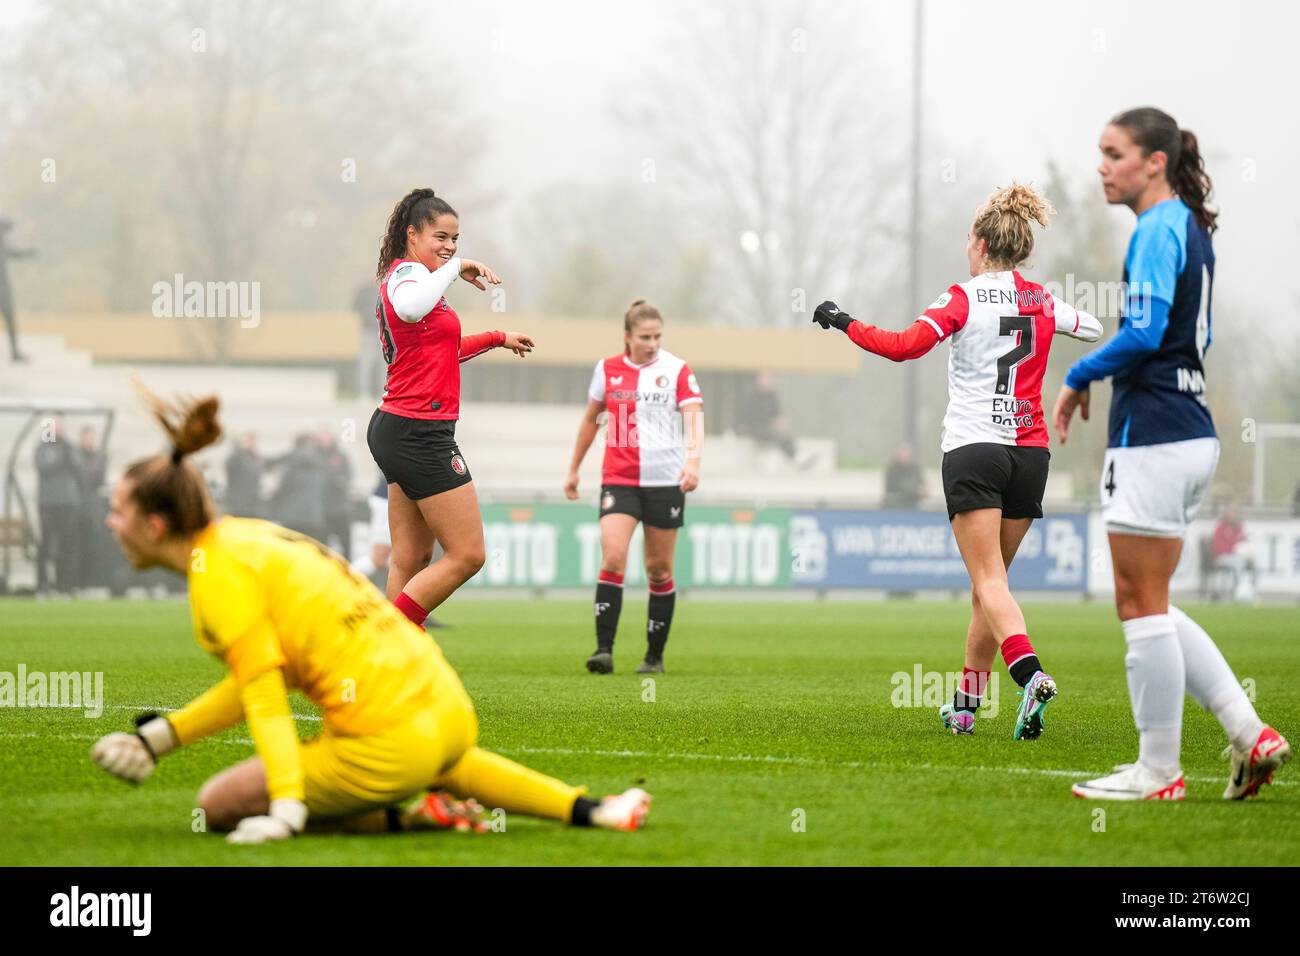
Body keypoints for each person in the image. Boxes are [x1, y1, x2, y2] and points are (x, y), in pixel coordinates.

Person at [89, 388, 650, 843]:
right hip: (447, 710)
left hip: (392, 742)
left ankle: (408, 820)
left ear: (154, 526)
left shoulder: (216, 576)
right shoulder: (245, 539)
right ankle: (595, 810)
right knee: (442, 760)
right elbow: (264, 675)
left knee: (218, 804)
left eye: (119, 512)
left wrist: (285, 809)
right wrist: (158, 738)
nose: (112, 524)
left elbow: (263, 697)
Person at [1054, 107, 1289, 800]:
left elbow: (1148, 330)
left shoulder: (1158, 228)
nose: (1102, 165)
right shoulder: (1186, 226)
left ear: (1154, 161)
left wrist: (1077, 373)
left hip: (1154, 433)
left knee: (1137, 603)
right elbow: (1189, 336)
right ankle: (1250, 733)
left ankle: (1158, 771)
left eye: (1114, 152)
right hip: (1190, 429)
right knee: (1149, 600)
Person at [813, 183, 1102, 739]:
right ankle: (965, 707)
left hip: (974, 449)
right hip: (1030, 453)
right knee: (988, 587)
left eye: (968, 237)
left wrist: (842, 320)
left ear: (982, 243)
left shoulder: (962, 298)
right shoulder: (1040, 299)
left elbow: (902, 346)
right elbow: (1090, 326)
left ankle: (1031, 675)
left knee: (988, 581)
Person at [367, 188, 534, 627]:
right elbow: (410, 303)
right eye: (441, 236)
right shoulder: (408, 277)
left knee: (411, 557)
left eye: (456, 240)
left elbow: (444, 349)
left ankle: (388, 675)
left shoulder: (418, 280)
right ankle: (383, 645)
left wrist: (498, 337)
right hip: (418, 431)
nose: (450, 246)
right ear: (412, 235)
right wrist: (456, 268)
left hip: (399, 428)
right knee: (468, 555)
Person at [565, 300, 704, 675]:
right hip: (619, 479)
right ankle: (603, 651)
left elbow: (694, 419)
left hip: (665, 482)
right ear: (627, 337)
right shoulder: (607, 369)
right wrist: (574, 469)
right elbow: (591, 421)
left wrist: (692, 463)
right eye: (645, 337)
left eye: (658, 336)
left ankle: (654, 657)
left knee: (658, 570)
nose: (653, 343)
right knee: (613, 557)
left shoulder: (677, 369)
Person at [34, 415, 82, 594]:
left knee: (67, 545)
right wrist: (61, 457)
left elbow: (80, 469)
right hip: (48, 504)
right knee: (45, 545)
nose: (57, 429)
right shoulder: (43, 448)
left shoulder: (70, 448)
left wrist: (68, 452)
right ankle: (42, 584)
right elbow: (44, 468)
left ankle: (66, 585)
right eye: (54, 425)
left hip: (68, 503)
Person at [0, 215, 36, 363]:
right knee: (9, 318)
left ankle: (15, 352)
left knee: (10, 318)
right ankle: (15, 352)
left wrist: (30, 251)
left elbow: (17, 252)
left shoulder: (3, 244)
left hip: (3, 288)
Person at [1210, 502, 1255, 602]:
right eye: (1231, 512)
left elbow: (1244, 541)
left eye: (1235, 512)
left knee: (1253, 564)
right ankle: (1238, 591)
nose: (1233, 514)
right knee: (1238, 563)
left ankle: (1251, 590)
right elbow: (1218, 546)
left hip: (1236, 556)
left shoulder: (1239, 527)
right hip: (1221, 557)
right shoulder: (1220, 527)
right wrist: (1234, 547)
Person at [224, 432, 263, 518]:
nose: (252, 443)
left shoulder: (254, 457)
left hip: (252, 502)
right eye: (249, 440)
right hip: (238, 502)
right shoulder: (237, 456)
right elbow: (230, 466)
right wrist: (238, 448)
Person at [883, 443, 925, 509]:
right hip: (894, 507)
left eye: (906, 452)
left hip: (912, 507)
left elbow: (923, 487)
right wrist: (915, 491)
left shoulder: (915, 469)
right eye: (902, 452)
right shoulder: (892, 470)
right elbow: (898, 488)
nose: (904, 455)